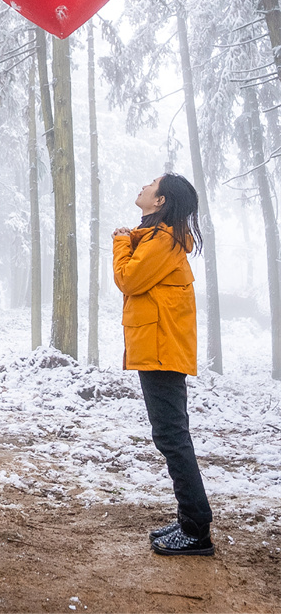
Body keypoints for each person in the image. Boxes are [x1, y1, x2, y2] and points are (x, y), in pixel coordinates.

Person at [112, 173, 214, 556]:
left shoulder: (164, 240)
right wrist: (133, 238)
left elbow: (128, 279)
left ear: (161, 202)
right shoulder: (159, 239)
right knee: (171, 435)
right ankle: (190, 519)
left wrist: (121, 242)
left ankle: (196, 529)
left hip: (161, 350)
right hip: (159, 348)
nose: (144, 185)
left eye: (152, 183)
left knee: (171, 437)